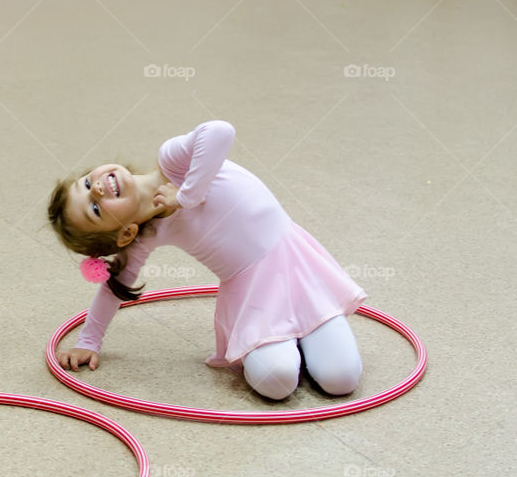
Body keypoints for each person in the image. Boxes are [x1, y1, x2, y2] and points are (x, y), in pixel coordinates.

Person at [47, 120, 365, 401]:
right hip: (253, 293)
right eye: (95, 209)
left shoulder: (172, 161)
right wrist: (89, 342)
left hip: (294, 263)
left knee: (341, 379)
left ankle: (304, 331)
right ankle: (290, 338)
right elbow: (113, 289)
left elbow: (220, 131)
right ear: (125, 234)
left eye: (86, 183)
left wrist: (185, 195)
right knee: (276, 383)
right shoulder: (146, 237)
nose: (97, 188)